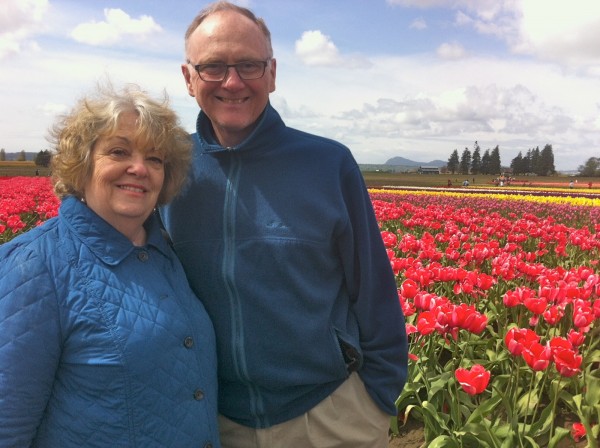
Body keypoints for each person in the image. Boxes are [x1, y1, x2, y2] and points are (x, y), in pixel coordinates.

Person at [160, 2, 407, 447]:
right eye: (213, 66)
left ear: (271, 73)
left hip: (329, 414)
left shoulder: (328, 164)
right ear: (188, 77)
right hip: (215, 418)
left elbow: (373, 289)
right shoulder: (168, 169)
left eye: (249, 65)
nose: (232, 82)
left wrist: (377, 399)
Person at [0, 83, 220, 448]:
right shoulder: (35, 266)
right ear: (82, 163)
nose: (139, 168)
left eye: (154, 158)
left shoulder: (164, 251)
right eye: (119, 151)